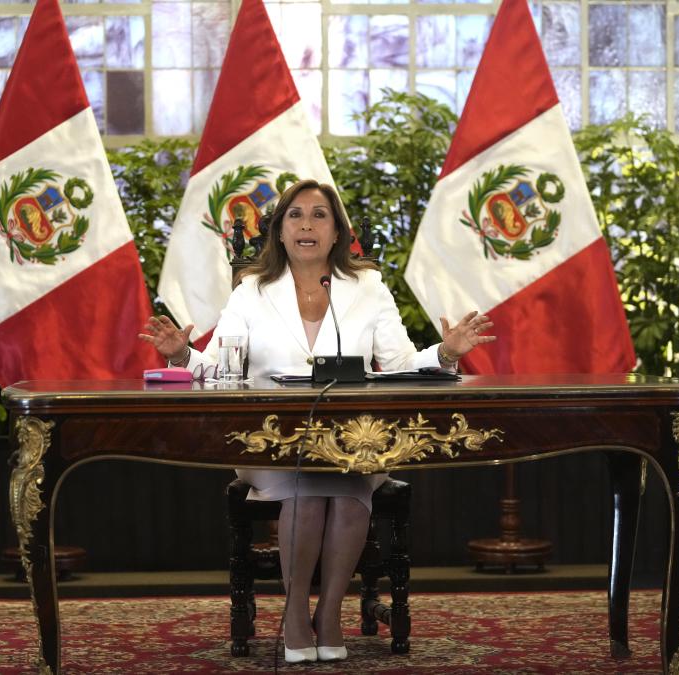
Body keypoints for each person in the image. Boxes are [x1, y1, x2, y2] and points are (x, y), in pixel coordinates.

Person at [140, 179, 495, 664]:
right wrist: (181, 353)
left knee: (347, 496)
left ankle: (328, 614)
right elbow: (222, 368)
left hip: (354, 441)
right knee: (307, 493)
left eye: (320, 215)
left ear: (336, 233)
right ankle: (293, 615)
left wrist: (446, 353)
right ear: (280, 233)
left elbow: (399, 364)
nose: (307, 223)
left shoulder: (367, 288)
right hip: (269, 440)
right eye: (295, 215)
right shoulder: (251, 291)